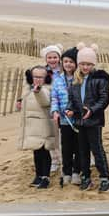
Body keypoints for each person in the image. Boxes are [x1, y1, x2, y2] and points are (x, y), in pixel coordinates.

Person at [65, 43, 109, 192]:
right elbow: (72, 99)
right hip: (80, 120)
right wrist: (70, 109)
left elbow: (104, 99)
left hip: (94, 120)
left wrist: (92, 110)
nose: (85, 67)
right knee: (82, 150)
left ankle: (105, 177)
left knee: (97, 149)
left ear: (93, 64)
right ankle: (86, 176)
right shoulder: (75, 80)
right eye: (83, 64)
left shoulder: (100, 78)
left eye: (89, 64)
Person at [18, 66, 56, 189]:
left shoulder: (47, 89)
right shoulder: (28, 89)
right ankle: (38, 175)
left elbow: (45, 101)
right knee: (36, 151)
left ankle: (46, 177)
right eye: (35, 76)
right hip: (32, 126)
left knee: (45, 151)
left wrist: (38, 91)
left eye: (41, 77)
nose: (37, 79)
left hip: (44, 125)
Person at [50, 46, 80, 185]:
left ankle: (76, 172)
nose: (68, 64)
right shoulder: (58, 79)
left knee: (78, 146)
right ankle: (66, 172)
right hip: (63, 119)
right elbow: (54, 97)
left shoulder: (79, 78)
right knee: (66, 146)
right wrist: (55, 111)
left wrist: (74, 110)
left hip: (78, 119)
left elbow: (81, 98)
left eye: (71, 62)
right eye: (66, 61)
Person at [42, 44, 63, 174]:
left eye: (55, 57)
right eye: (49, 57)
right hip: (49, 107)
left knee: (69, 136)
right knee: (51, 136)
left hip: (64, 106)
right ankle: (54, 160)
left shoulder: (65, 69)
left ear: (59, 58)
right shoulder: (42, 72)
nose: (52, 60)